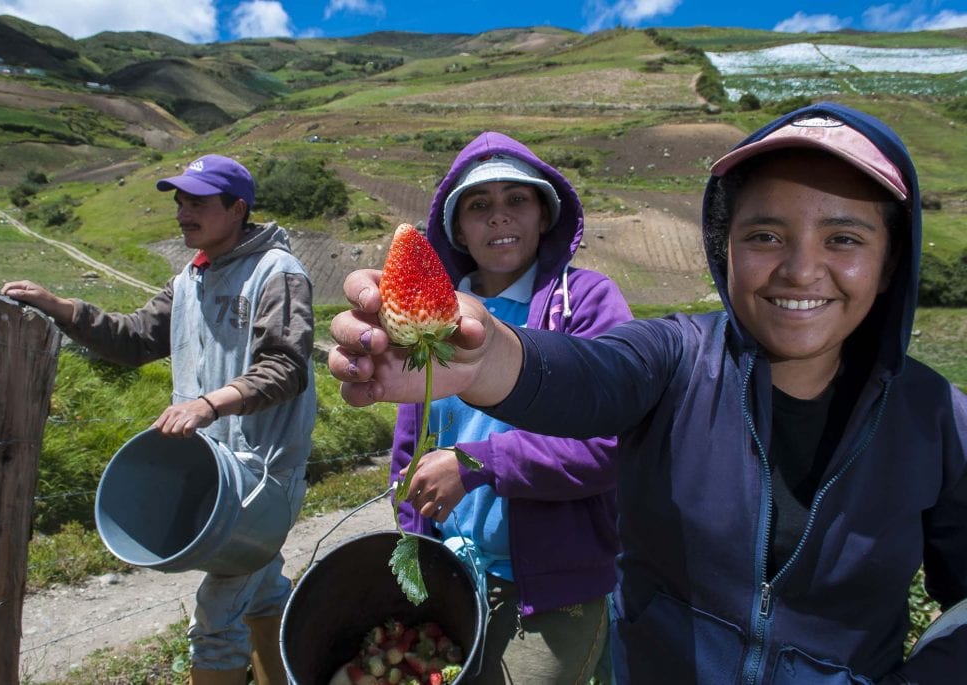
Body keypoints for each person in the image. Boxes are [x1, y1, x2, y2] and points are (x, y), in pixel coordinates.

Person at [327, 102, 967, 684]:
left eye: (844, 238)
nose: (800, 268)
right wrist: (485, 357)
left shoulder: (941, 423)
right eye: (765, 235)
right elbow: (586, 377)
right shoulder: (674, 356)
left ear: (891, 263)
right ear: (727, 249)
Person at [2, 154, 317, 685]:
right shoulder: (190, 279)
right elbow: (135, 338)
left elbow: (286, 367)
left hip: (263, 474)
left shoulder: (276, 273)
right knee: (261, 591)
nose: (182, 211)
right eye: (179, 200)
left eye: (198, 201)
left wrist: (209, 403)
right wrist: (62, 307)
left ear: (237, 209)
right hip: (217, 473)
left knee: (216, 621)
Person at [391, 131, 632, 683]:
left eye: (516, 200)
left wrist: (478, 463)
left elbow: (609, 440)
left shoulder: (587, 303)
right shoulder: (431, 315)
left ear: (544, 215)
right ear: (456, 229)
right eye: (479, 206)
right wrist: (414, 549)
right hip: (453, 572)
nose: (499, 217)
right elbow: (412, 443)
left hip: (553, 587)